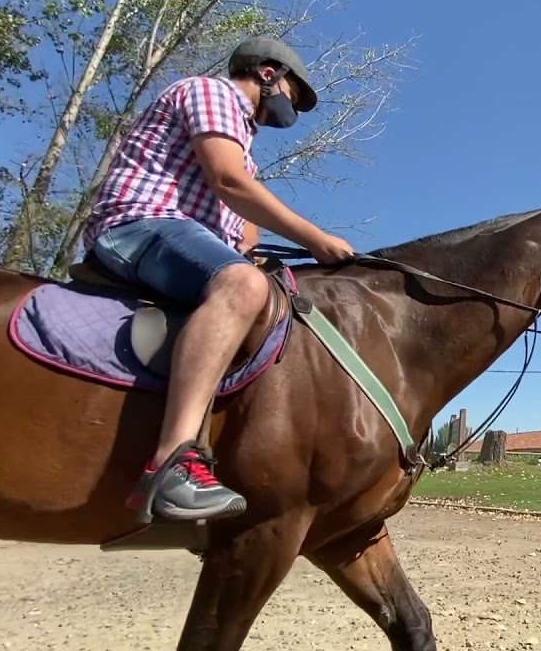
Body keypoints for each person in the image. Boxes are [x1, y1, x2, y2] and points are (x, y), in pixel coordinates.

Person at [80, 37, 357, 522]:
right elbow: (229, 184)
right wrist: (316, 239)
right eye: (294, 92)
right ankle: (172, 462)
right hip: (140, 222)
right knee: (242, 287)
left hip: (185, 236)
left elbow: (243, 225)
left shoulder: (244, 149)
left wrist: (261, 259)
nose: (291, 107)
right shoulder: (213, 94)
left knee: (265, 290)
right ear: (269, 74)